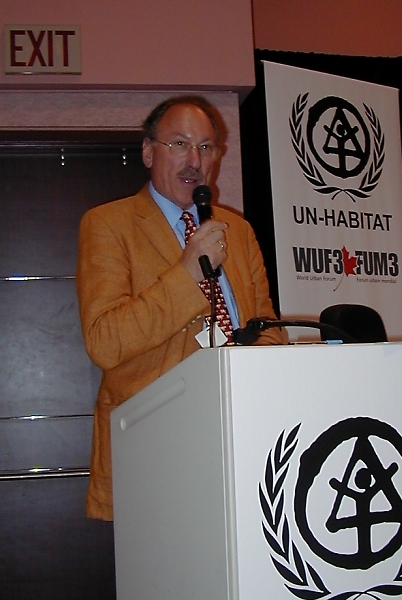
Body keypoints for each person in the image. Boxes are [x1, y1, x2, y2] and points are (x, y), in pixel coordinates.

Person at [76, 95, 283, 520]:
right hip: (152, 447)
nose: (194, 160)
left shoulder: (238, 231)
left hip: (240, 434)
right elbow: (105, 341)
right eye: (180, 144)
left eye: (206, 147)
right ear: (148, 152)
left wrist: (246, 381)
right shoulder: (108, 224)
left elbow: (268, 327)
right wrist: (187, 273)